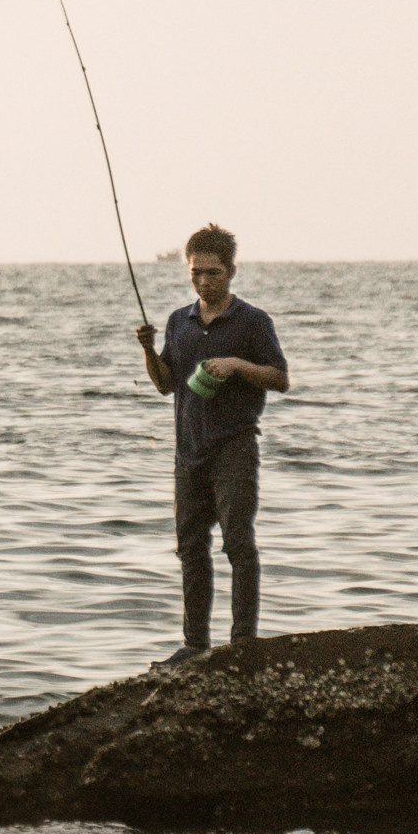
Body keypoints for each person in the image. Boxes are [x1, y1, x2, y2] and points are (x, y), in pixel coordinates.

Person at [132, 223, 290, 664]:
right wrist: (147, 351)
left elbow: (280, 379)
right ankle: (194, 644)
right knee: (190, 547)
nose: (204, 281)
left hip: (234, 447)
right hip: (188, 452)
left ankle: (243, 644)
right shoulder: (177, 322)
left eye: (213, 273)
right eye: (196, 272)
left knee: (238, 543)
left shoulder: (254, 322)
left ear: (232, 272)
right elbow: (166, 385)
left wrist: (237, 364)